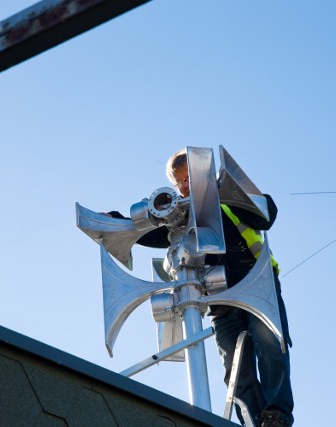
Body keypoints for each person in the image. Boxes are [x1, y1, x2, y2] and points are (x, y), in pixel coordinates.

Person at [110, 148, 294, 427]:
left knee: (270, 346)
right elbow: (149, 233)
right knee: (235, 369)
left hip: (255, 283)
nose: (184, 186)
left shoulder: (229, 202)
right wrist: (113, 220)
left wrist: (229, 193)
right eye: (178, 182)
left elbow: (266, 214)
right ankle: (256, 422)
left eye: (188, 178)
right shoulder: (181, 218)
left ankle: (276, 415)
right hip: (221, 303)